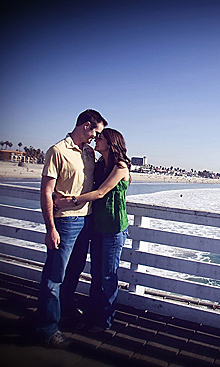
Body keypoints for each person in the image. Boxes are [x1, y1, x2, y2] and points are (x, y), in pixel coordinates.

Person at [37, 109, 107, 347]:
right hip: (65, 221)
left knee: (74, 271)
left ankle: (65, 312)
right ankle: (47, 329)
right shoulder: (57, 151)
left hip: (86, 220)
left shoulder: (88, 152)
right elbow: (47, 191)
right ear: (86, 125)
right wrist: (50, 228)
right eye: (96, 132)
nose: (97, 138)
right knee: (54, 275)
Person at [55, 128, 130, 333]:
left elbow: (100, 193)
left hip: (114, 229)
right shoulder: (99, 165)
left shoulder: (120, 166)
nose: (97, 140)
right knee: (96, 275)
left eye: (101, 138)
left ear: (111, 143)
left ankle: (104, 322)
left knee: (107, 276)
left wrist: (70, 202)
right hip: (97, 226)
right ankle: (90, 316)